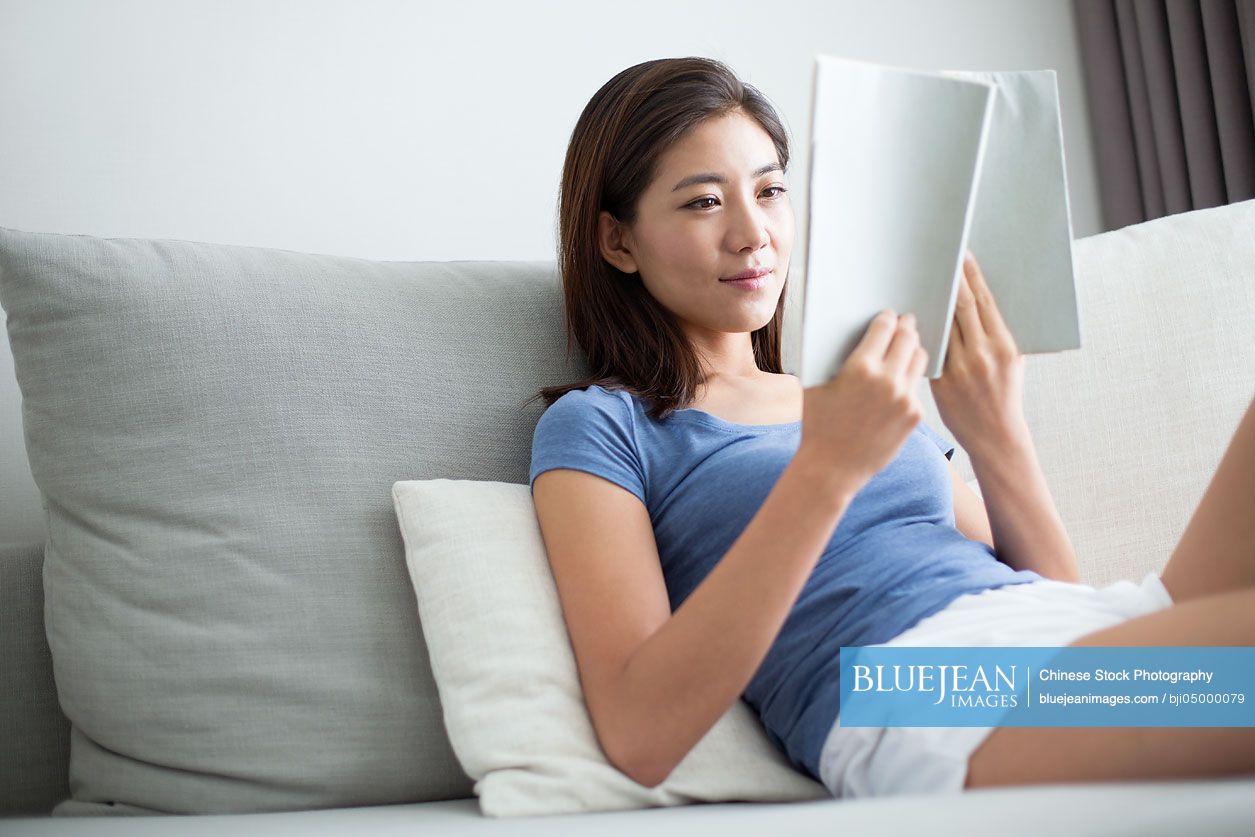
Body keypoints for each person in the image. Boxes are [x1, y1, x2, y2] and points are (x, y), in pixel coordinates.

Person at [526, 56, 1255, 798]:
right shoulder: (601, 424)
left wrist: (995, 433)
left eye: (770, 191)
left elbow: (1049, 594)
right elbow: (638, 731)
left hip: (1061, 633)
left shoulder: (857, 392)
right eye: (703, 203)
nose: (753, 235)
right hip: (913, 691)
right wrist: (825, 471)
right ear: (617, 240)